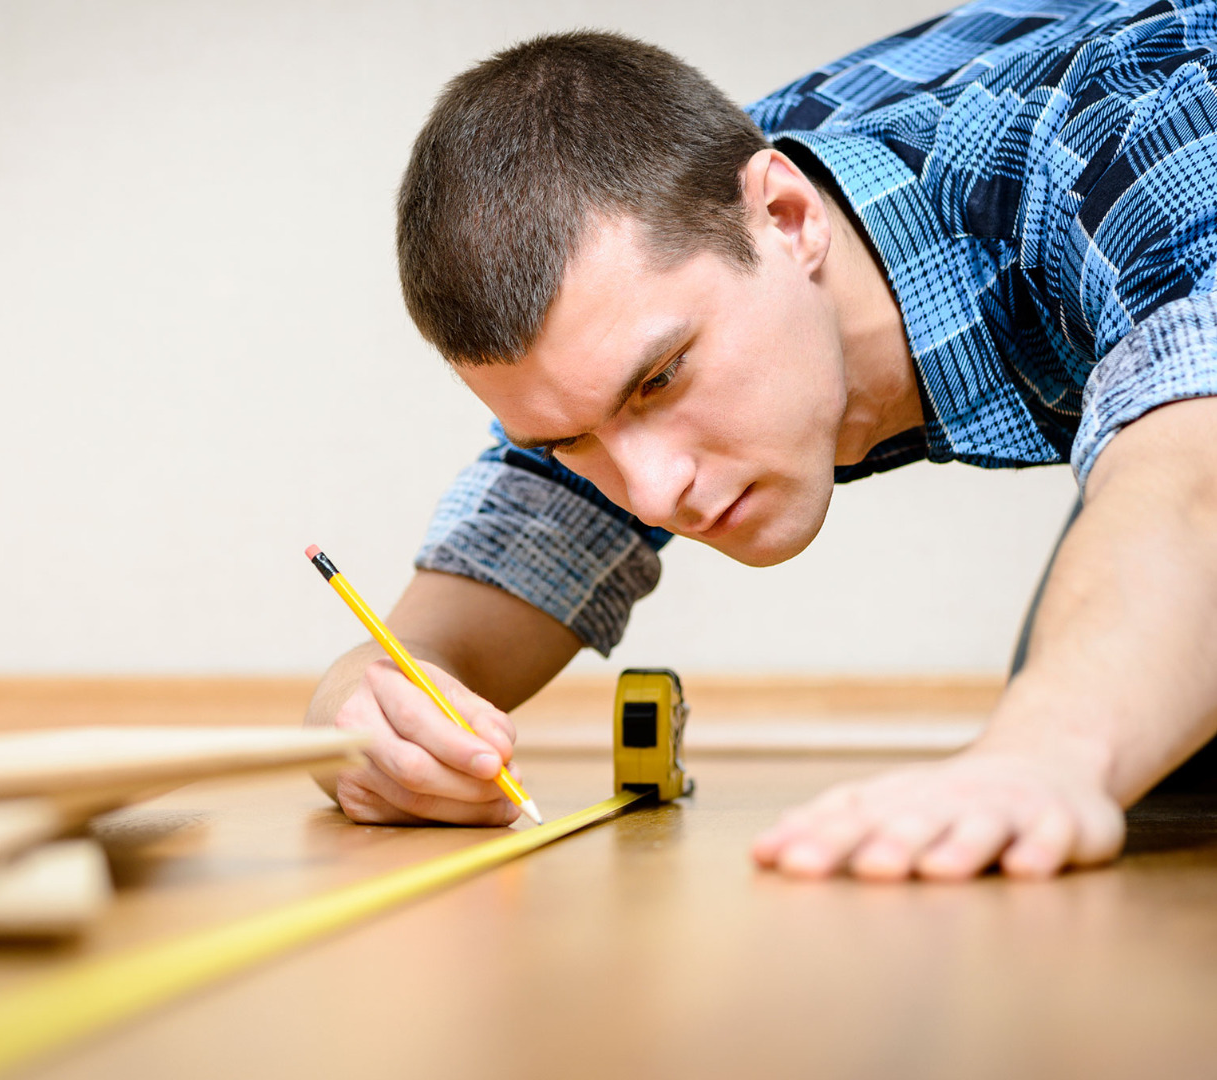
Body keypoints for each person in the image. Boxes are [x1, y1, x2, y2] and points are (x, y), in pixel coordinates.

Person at [305, 0, 1217, 880]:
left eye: (660, 379)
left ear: (787, 217)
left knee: (1083, 740)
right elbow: (445, 626)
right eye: (567, 442)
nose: (652, 492)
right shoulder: (683, 227)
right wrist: (361, 711)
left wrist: (1047, 750)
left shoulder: (1136, 129)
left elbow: (1194, 485)